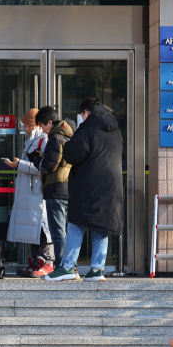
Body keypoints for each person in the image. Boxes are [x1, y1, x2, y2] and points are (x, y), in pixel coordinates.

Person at [45, 98, 123, 283]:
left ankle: (66, 267)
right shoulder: (116, 130)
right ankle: (97, 269)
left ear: (86, 113)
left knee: (75, 225)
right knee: (102, 226)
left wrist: (71, 141)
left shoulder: (87, 129)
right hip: (111, 187)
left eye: (82, 115)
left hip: (88, 185)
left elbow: (72, 154)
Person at [4, 109, 54, 277]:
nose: (26, 128)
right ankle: (35, 262)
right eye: (24, 125)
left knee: (42, 227)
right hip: (30, 191)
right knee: (34, 228)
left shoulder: (43, 139)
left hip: (38, 191)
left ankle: (47, 261)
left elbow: (43, 168)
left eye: (29, 125)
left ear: (38, 125)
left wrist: (19, 165)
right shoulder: (32, 140)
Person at [33, 106, 75, 272]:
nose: (42, 130)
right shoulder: (68, 135)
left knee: (58, 232)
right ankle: (72, 266)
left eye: (43, 126)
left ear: (50, 122)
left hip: (56, 190)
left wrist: (37, 161)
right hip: (68, 188)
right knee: (69, 232)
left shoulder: (55, 138)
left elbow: (49, 167)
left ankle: (61, 267)